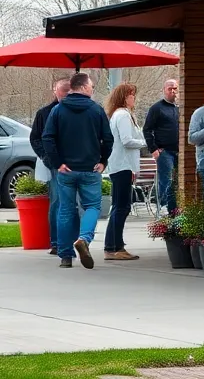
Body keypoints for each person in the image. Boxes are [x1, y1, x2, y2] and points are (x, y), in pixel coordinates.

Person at [41, 73, 113, 270]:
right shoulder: (96, 110)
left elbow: (47, 138)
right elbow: (108, 139)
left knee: (66, 210)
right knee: (92, 206)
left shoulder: (57, 110)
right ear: (82, 86)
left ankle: (65, 256)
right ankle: (84, 238)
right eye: (90, 86)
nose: (92, 89)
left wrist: (58, 163)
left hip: (66, 170)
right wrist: (103, 161)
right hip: (90, 169)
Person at [103, 82, 146, 261]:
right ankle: (114, 246)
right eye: (131, 95)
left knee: (120, 206)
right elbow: (127, 140)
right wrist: (146, 143)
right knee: (122, 206)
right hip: (122, 166)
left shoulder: (124, 115)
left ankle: (114, 245)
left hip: (124, 165)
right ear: (124, 97)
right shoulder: (121, 115)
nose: (133, 98)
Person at [30, 77, 71, 256]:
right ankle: (56, 242)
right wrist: (47, 158)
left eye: (69, 91)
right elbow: (36, 138)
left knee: (73, 203)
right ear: (55, 91)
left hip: (75, 162)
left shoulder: (77, 112)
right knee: (57, 200)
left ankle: (72, 239)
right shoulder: (45, 113)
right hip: (55, 163)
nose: (66, 94)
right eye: (63, 91)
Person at [142, 78, 180, 214]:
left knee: (177, 182)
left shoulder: (179, 108)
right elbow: (147, 129)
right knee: (167, 180)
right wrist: (153, 149)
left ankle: (174, 210)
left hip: (179, 152)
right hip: (164, 151)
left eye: (175, 88)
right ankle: (163, 208)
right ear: (164, 90)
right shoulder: (157, 108)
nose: (173, 91)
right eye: (170, 88)